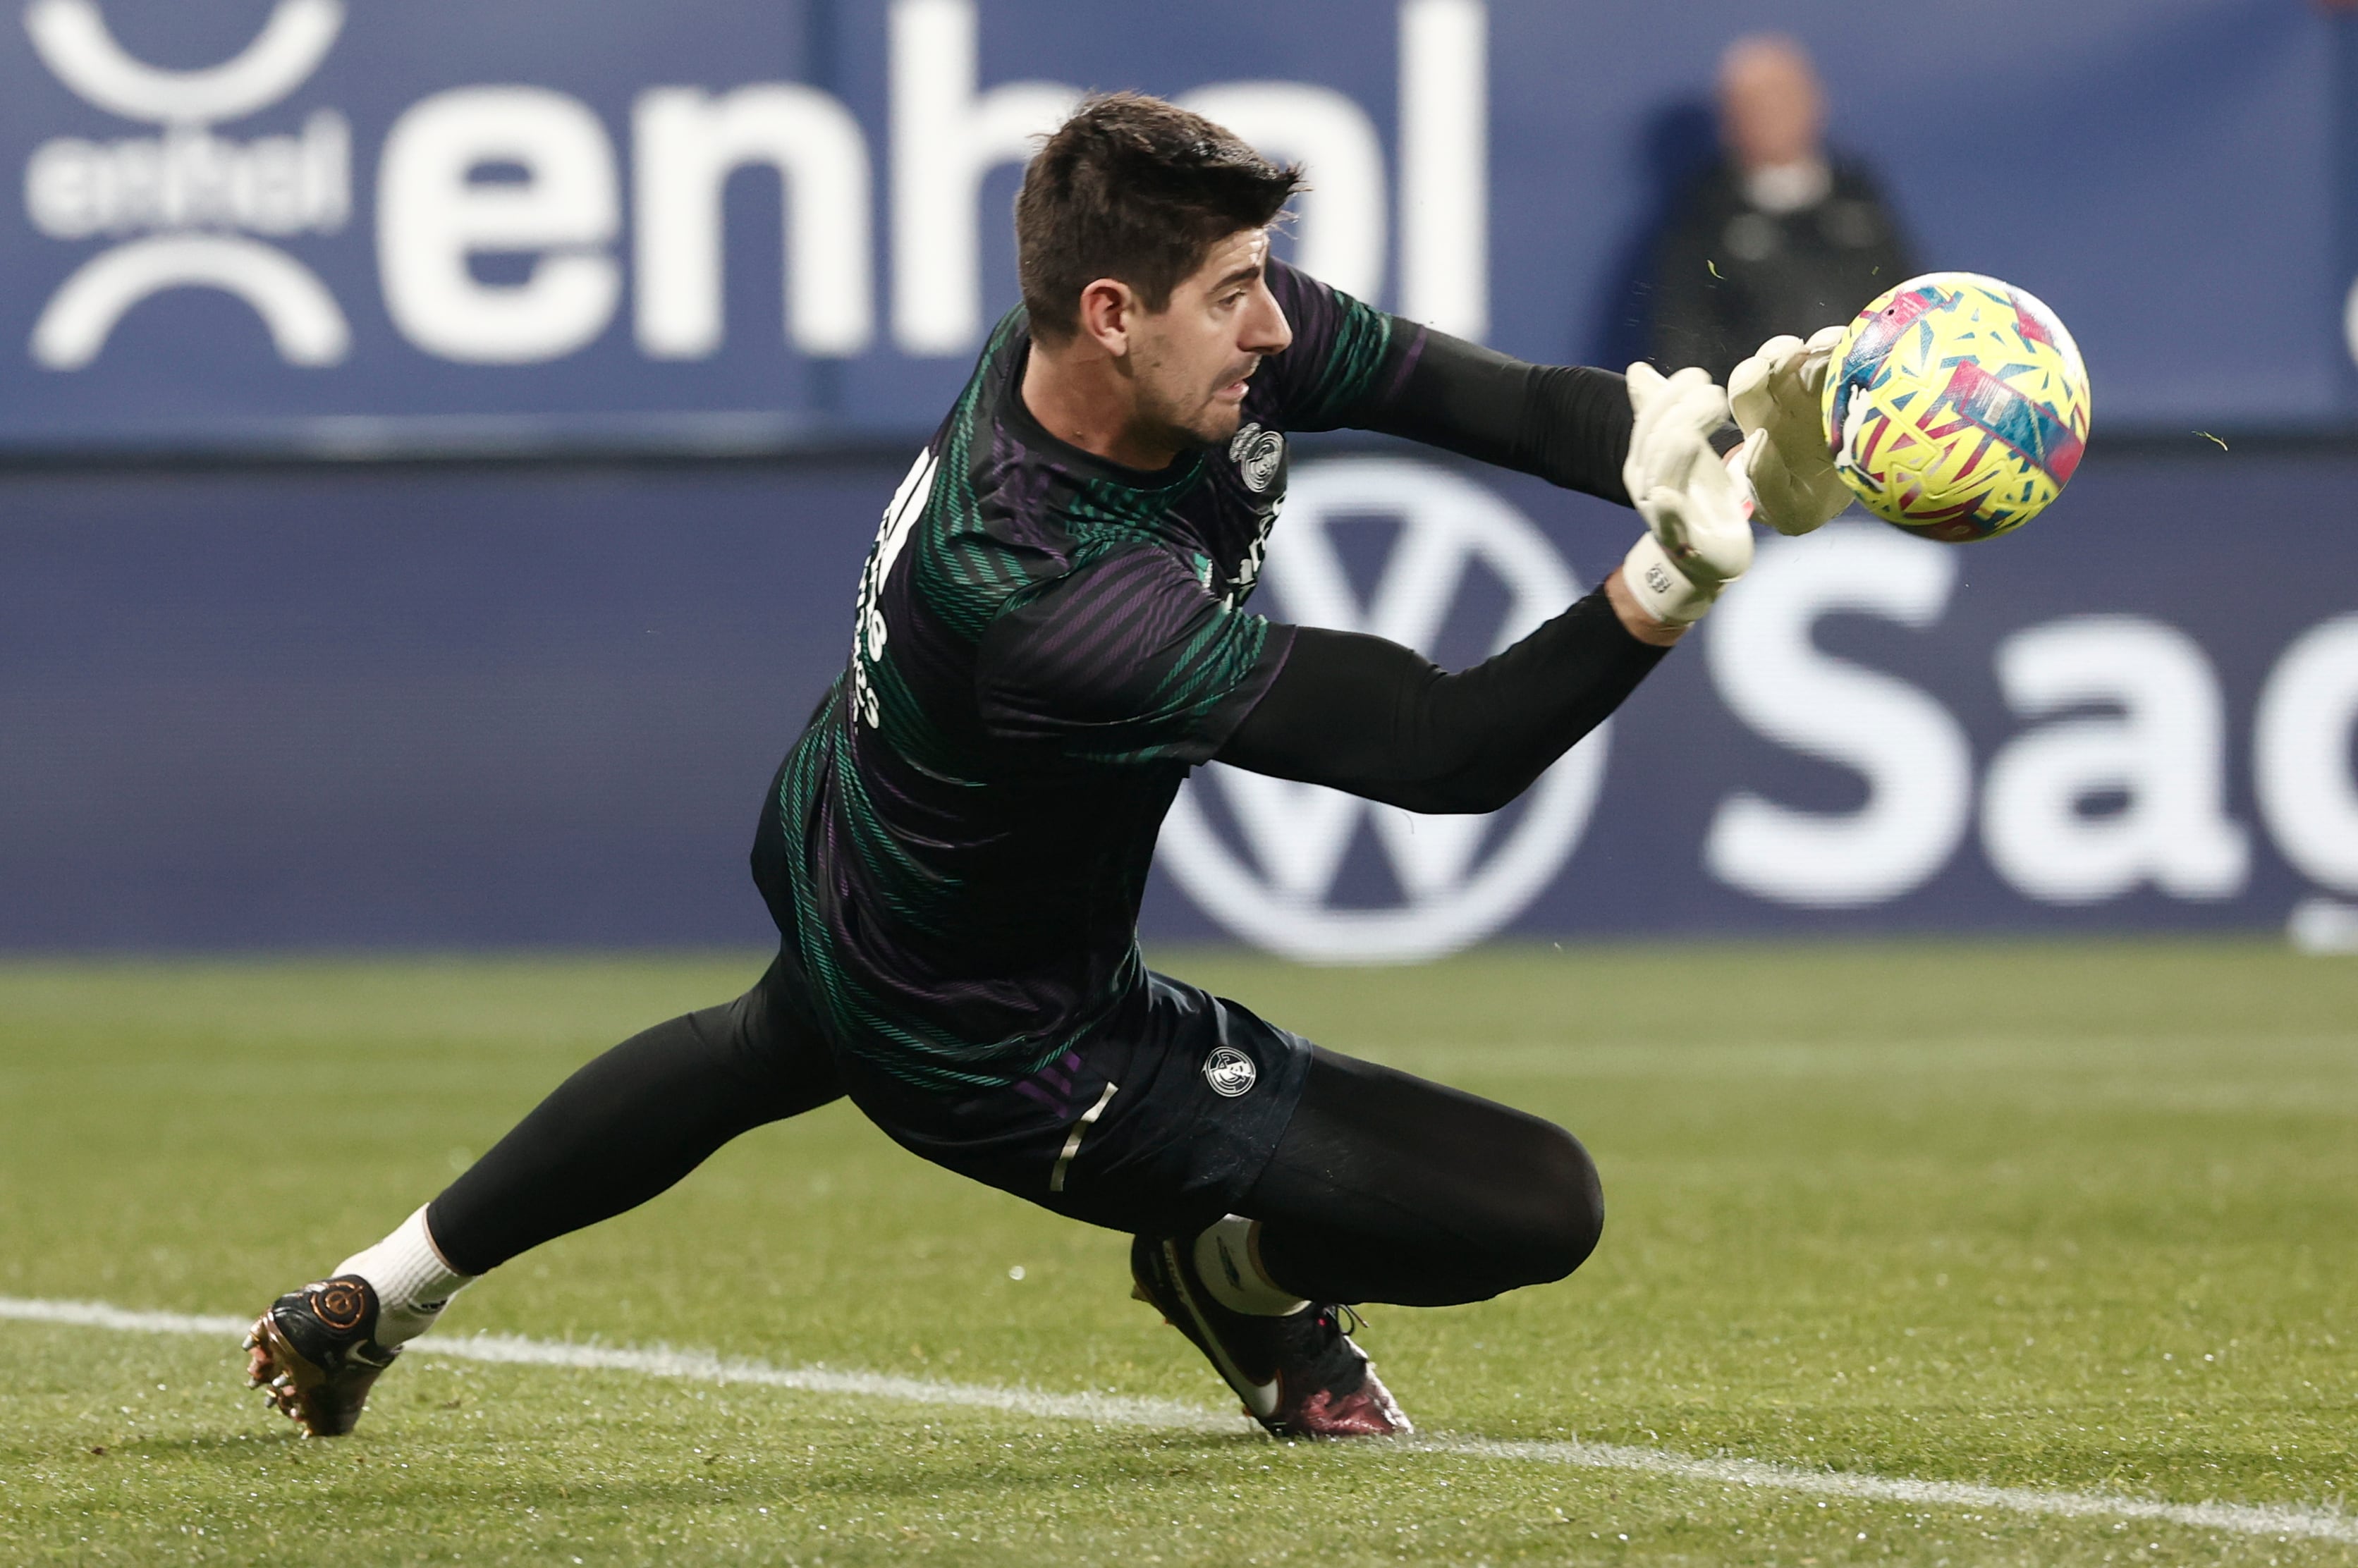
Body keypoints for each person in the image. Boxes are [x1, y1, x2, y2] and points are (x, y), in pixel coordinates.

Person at [244, 92, 1850, 1443]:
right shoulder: (1045, 597)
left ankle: (371, 1291)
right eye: (1233, 292)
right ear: (1110, 315)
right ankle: (1227, 1275)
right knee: (1533, 1202)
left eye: (1260, 277)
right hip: (1007, 1036)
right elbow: (1443, 752)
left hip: (854, 844)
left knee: (763, 1036)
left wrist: (1687, 436)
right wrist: (1664, 588)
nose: (1276, 324)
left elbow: (1478, 397)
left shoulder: (1158, 343)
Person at [1646, 35, 1916, 384]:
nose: (1773, 114)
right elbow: (1681, 341)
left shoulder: (1860, 200)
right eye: (1755, 104)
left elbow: (1913, 306)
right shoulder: (1702, 218)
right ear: (1728, 119)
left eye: (1784, 97)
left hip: (1866, 413)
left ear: (1816, 102)